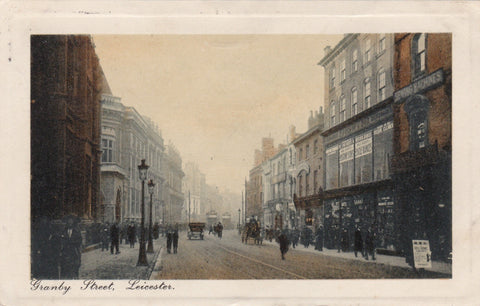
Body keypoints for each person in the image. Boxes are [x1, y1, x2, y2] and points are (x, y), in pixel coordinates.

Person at [60, 215, 82, 279]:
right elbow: (61, 240)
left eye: (71, 221)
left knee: (74, 269)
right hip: (65, 253)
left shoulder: (77, 231)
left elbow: (79, 241)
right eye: (68, 221)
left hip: (74, 252)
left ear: (73, 222)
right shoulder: (64, 231)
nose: (70, 222)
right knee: (66, 269)